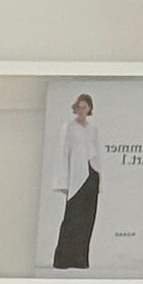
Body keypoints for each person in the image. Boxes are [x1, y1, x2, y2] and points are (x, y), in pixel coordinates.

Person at [52, 88, 103, 270]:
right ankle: (63, 260)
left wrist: (100, 178)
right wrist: (63, 182)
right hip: (76, 178)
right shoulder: (69, 128)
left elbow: (98, 153)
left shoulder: (94, 129)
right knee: (72, 219)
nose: (82, 110)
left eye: (85, 107)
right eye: (79, 107)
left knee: (87, 219)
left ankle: (80, 259)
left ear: (89, 109)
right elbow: (63, 154)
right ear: (76, 108)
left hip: (92, 175)